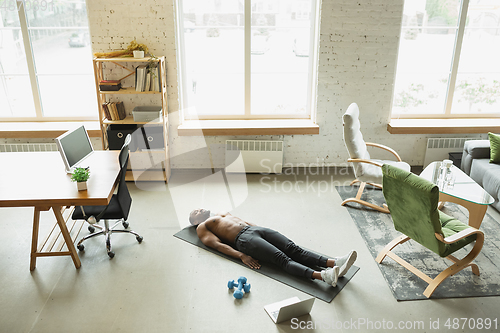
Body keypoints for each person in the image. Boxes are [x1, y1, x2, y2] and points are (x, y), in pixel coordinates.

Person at [189, 209, 357, 287]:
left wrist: (262, 230)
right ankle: (323, 276)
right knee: (282, 259)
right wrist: (241, 255)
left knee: (293, 248)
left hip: (256, 230)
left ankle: (334, 262)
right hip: (244, 239)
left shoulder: (220, 213)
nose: (199, 209)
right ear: (195, 221)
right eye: (195, 212)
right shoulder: (202, 227)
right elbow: (217, 245)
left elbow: (244, 221)